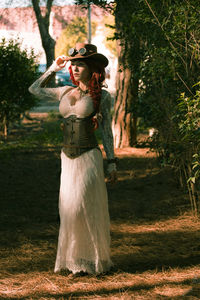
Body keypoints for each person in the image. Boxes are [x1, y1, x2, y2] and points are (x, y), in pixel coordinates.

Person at [29, 43, 117, 275]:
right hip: (67, 158)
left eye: (80, 64)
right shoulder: (65, 91)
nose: (75, 68)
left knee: (84, 206)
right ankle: (76, 261)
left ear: (92, 68)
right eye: (73, 64)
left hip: (89, 156)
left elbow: (107, 130)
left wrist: (112, 161)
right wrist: (53, 68)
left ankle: (95, 260)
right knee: (69, 210)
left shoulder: (103, 97)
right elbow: (34, 90)